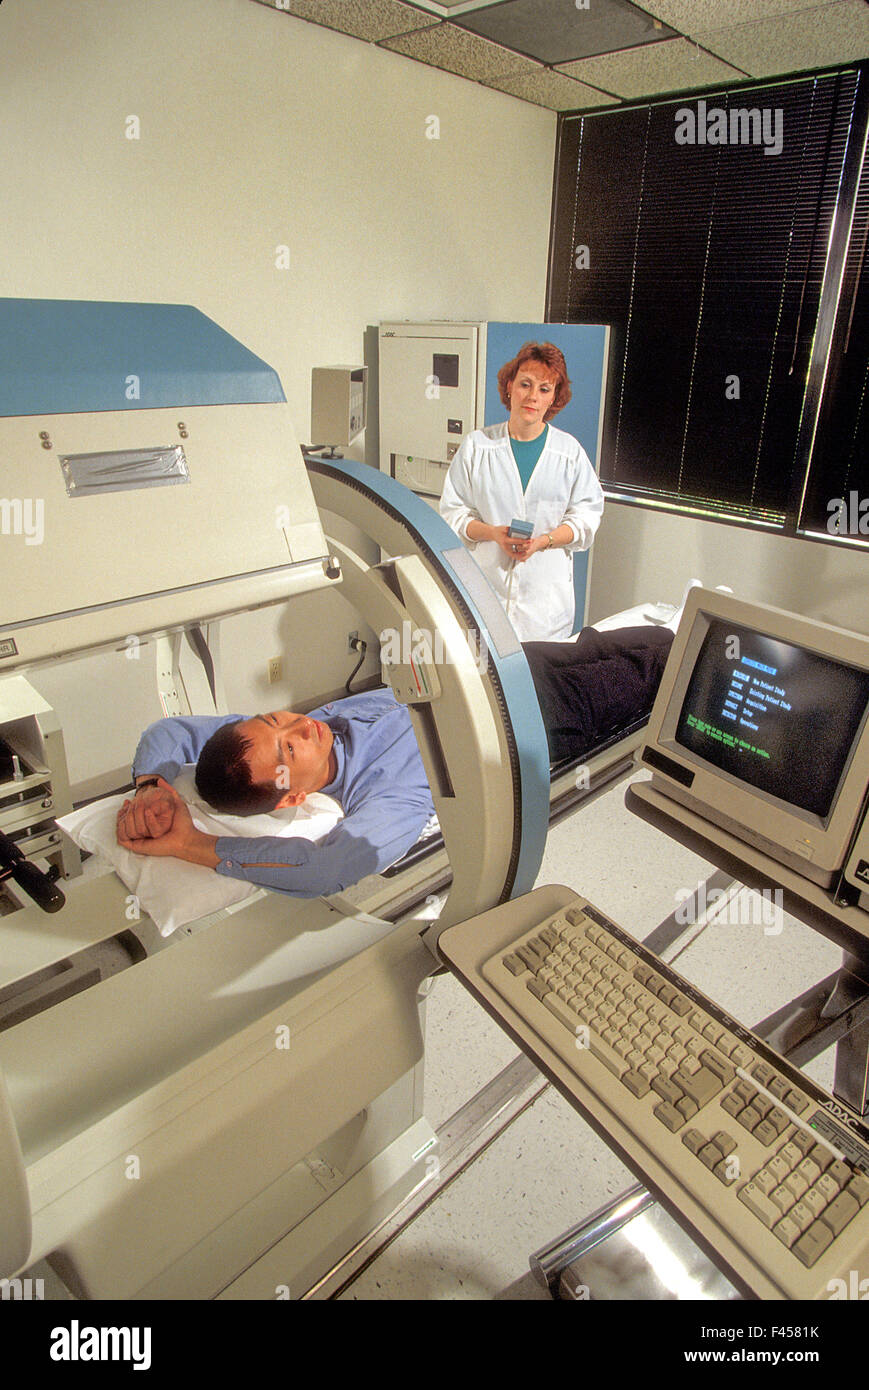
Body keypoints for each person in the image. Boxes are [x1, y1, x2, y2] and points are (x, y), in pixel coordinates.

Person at [116, 625, 673, 898]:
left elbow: (169, 730)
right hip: (549, 714)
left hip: (516, 662)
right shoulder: (388, 795)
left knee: (657, 635)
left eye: (276, 720)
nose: (296, 726)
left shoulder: (300, 730)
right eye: (289, 749)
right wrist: (192, 843)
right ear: (292, 797)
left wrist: (152, 786)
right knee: (666, 671)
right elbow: (323, 870)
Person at [439, 341, 604, 642]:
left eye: (544, 389)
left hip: (544, 608)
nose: (532, 396)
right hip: (485, 595)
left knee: (538, 683)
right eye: (525, 384)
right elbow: (453, 513)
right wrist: (493, 534)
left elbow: (587, 519)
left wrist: (544, 541)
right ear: (510, 386)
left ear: (554, 397)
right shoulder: (478, 447)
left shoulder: (569, 454)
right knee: (484, 682)